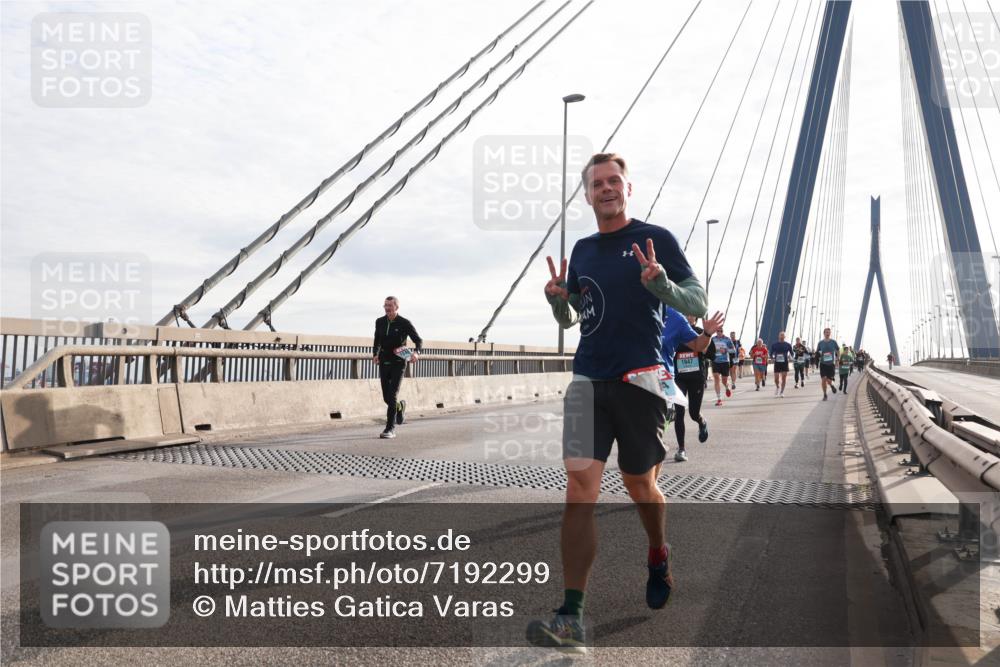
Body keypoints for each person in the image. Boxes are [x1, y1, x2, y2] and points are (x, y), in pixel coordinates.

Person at [531, 153, 707, 653]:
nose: (606, 189)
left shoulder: (656, 240)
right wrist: (557, 298)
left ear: (628, 188)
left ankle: (657, 552)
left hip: (640, 381)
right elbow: (572, 318)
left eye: (614, 181)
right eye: (597, 184)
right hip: (588, 381)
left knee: (640, 486)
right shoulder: (583, 250)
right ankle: (571, 615)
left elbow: (696, 302)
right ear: (587, 195)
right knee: (578, 491)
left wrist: (661, 284)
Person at [663, 309, 725, 462]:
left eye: (691, 315)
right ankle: (681, 449)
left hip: (696, 378)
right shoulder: (677, 329)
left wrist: (705, 338)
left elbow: (711, 354)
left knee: (693, 413)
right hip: (679, 377)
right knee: (679, 412)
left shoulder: (700, 333)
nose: (688, 316)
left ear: (696, 318)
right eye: (686, 314)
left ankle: (701, 421)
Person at [372, 296, 422, 438]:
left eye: (390, 306)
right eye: (385, 305)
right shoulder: (380, 322)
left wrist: (416, 353)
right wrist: (375, 354)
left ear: (396, 307)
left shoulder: (404, 323)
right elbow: (377, 340)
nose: (387, 308)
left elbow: (418, 341)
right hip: (384, 361)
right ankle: (400, 407)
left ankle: (390, 429)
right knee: (387, 398)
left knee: (392, 395)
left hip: (399, 363)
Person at [710, 331, 735, 405]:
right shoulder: (712, 339)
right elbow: (708, 348)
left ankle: (727, 387)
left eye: (721, 331)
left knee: (724, 380)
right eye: (718, 331)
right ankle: (719, 399)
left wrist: (725, 350)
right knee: (716, 378)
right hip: (715, 361)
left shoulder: (727, 339)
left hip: (725, 362)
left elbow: (733, 350)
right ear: (716, 331)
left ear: (722, 331)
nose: (719, 332)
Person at [817, 327, 840, 401]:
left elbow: (838, 350)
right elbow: (818, 352)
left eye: (829, 332)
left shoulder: (833, 342)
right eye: (826, 332)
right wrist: (818, 356)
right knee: (823, 379)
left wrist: (837, 359)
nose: (828, 333)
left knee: (829, 380)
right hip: (823, 364)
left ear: (830, 333)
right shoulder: (820, 343)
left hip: (831, 364)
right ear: (824, 333)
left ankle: (832, 385)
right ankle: (825, 394)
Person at [769, 331, 793, 397]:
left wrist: (791, 357)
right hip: (777, 363)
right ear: (779, 336)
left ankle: (782, 392)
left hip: (785, 363)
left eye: (783, 335)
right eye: (781, 335)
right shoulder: (774, 344)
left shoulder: (788, 345)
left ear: (785, 337)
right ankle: (777, 387)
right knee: (776, 379)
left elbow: (792, 353)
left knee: (784, 378)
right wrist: (772, 358)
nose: (782, 336)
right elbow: (771, 353)